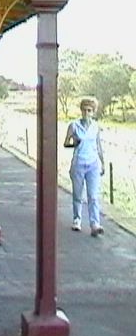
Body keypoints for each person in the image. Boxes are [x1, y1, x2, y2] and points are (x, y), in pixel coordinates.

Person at [63, 98, 106, 237]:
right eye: (84, 110)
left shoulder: (95, 126)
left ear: (93, 112)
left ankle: (95, 224)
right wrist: (74, 143)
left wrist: (102, 162)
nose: (87, 113)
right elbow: (66, 143)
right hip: (79, 163)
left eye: (89, 110)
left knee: (93, 195)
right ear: (81, 111)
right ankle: (77, 219)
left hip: (92, 164)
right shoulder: (74, 125)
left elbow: (98, 146)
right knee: (77, 194)